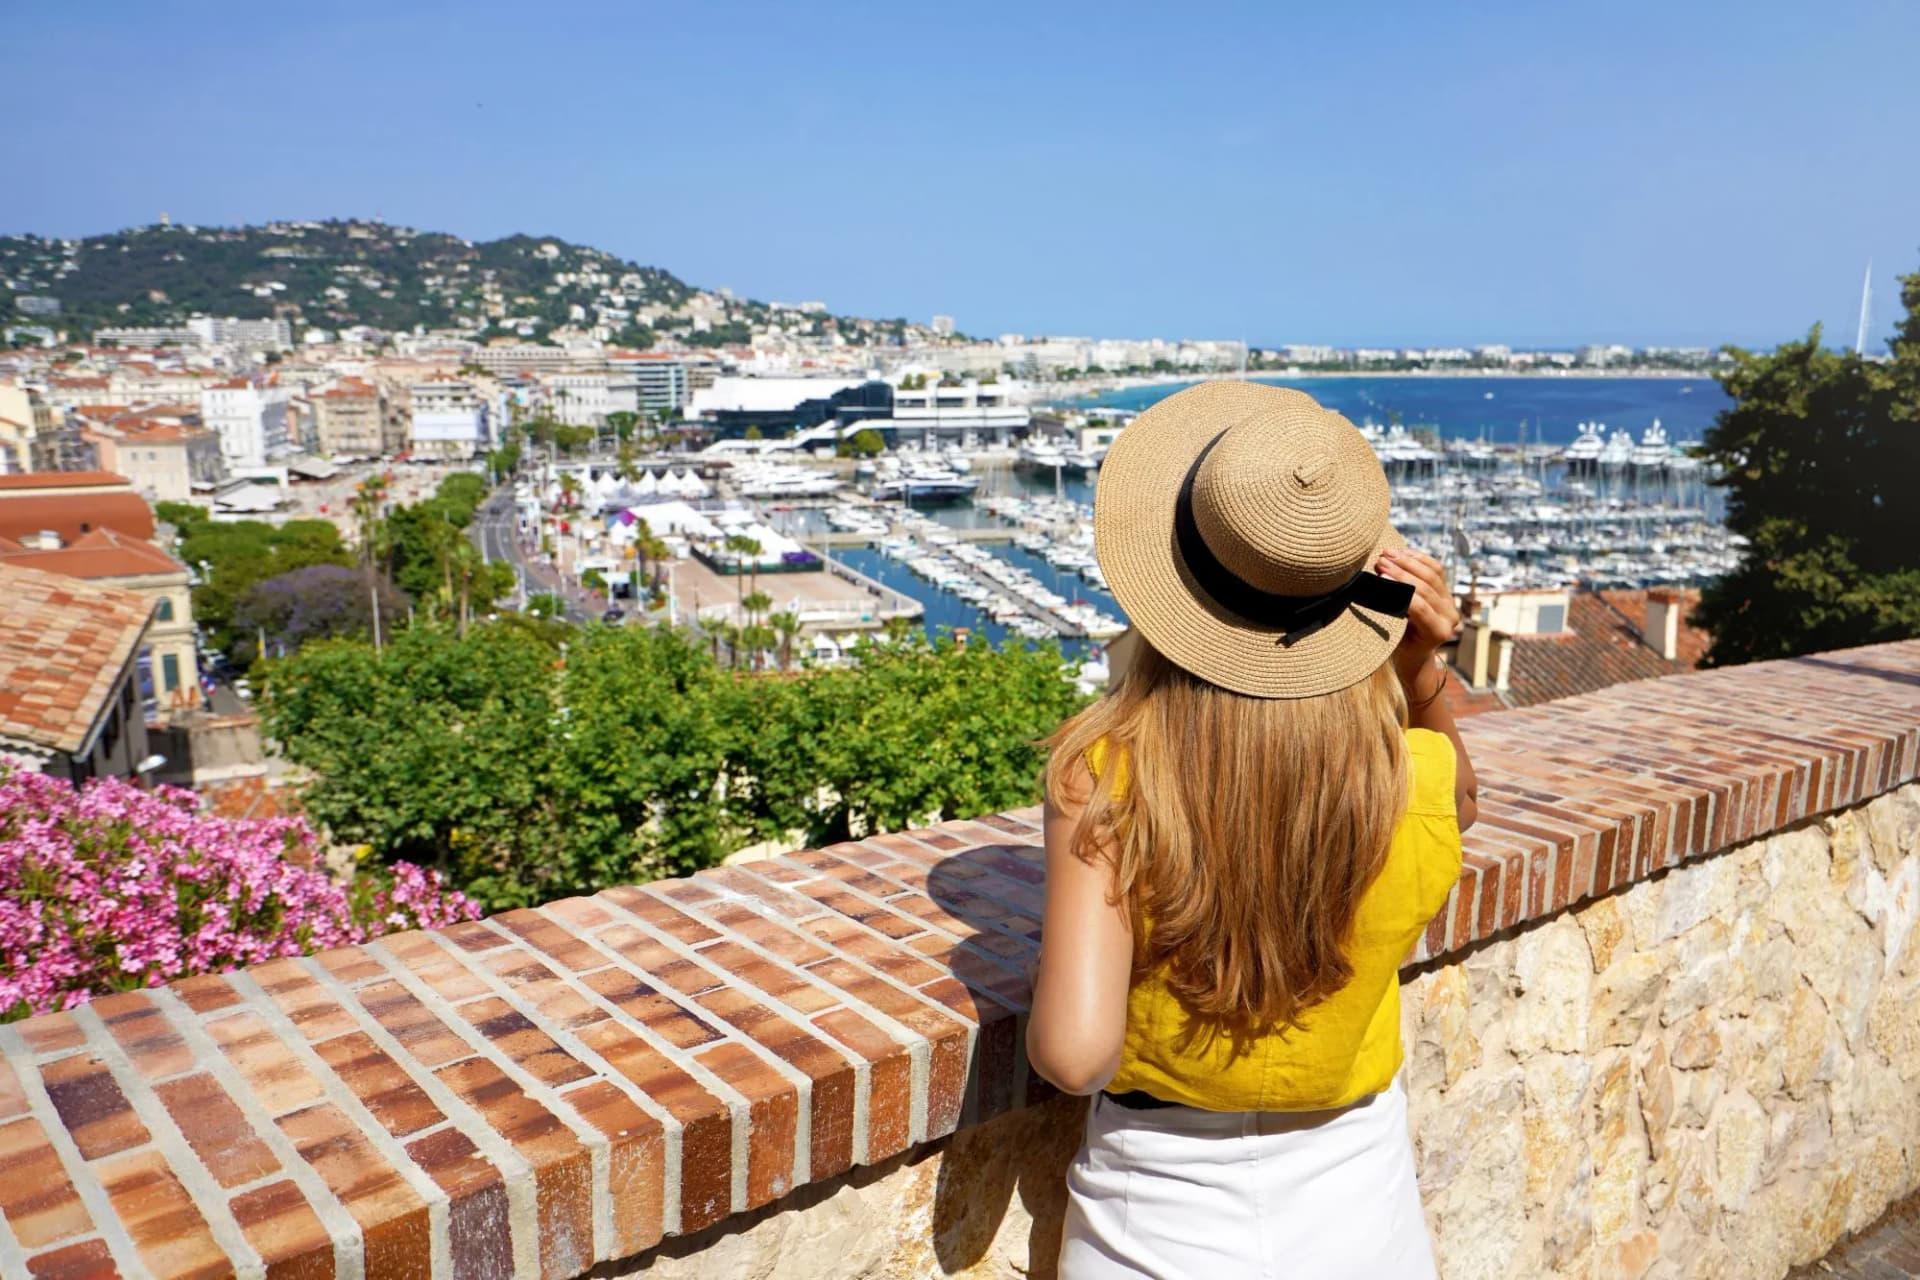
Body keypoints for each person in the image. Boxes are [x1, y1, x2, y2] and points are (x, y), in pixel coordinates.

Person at [1028, 381, 1479, 1279]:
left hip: (1155, 1216)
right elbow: (1460, 801)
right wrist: (1423, 664)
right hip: (1364, 1206)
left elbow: (1075, 1055)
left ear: (1172, 582)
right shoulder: (1414, 776)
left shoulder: (1109, 778)